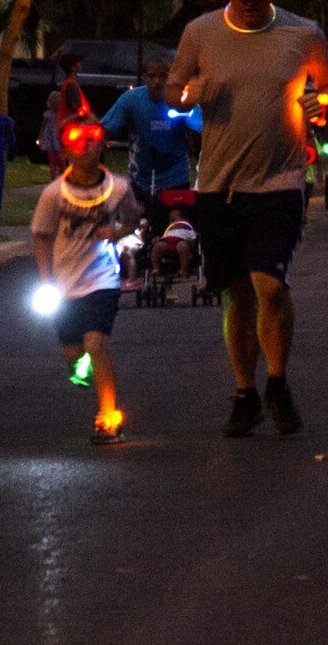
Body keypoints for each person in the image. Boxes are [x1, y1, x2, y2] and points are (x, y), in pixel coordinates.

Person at [167, 0, 328, 437]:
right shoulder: (200, 33)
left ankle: (278, 382)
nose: (249, 1)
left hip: (280, 179)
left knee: (271, 285)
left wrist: (321, 100)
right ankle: (245, 392)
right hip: (219, 184)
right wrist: (190, 95)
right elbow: (171, 90)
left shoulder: (301, 32)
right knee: (236, 294)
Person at [30, 116, 139, 443]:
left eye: (93, 137)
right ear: (64, 149)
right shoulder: (53, 194)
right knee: (74, 355)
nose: (86, 144)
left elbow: (133, 219)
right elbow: (42, 237)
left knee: (96, 344)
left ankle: (109, 418)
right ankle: (85, 369)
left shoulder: (117, 188)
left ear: (103, 144)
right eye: (77, 138)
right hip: (65, 282)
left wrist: (118, 231)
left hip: (102, 280)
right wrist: (46, 280)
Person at [99, 56, 203, 284]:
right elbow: (106, 127)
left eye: (163, 76)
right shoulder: (131, 100)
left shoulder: (180, 100)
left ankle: (174, 270)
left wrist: (191, 107)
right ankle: (133, 266)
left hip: (175, 175)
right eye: (152, 76)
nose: (157, 82)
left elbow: (201, 124)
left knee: (173, 228)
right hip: (141, 176)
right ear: (144, 78)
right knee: (138, 225)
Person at [44, 49, 89, 172]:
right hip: (72, 130)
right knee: (76, 164)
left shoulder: (69, 84)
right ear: (73, 67)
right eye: (77, 63)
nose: (80, 65)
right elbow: (76, 109)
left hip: (68, 129)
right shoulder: (71, 85)